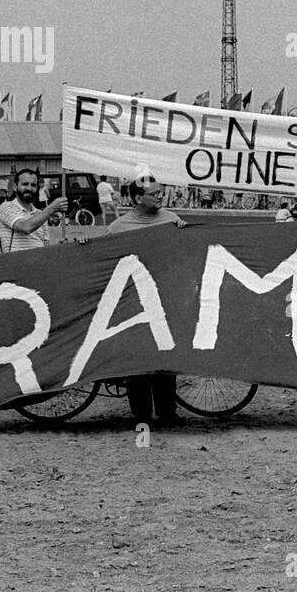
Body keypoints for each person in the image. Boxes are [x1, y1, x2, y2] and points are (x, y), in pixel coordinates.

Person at [107, 176, 188, 428]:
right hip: (133, 299)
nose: (160, 197)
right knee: (138, 356)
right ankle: (141, 414)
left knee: (165, 354)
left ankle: (167, 412)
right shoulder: (119, 227)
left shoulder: (172, 220)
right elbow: (102, 258)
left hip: (164, 296)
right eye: (154, 194)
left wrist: (186, 233)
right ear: (137, 198)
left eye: (161, 193)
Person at [0, 168, 68, 253]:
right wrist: (52, 207)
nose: (29, 188)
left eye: (33, 185)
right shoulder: (6, 207)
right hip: (15, 264)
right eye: (25, 184)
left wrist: (61, 247)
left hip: (38, 264)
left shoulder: (40, 215)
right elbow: (25, 227)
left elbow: (45, 249)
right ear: (15, 187)